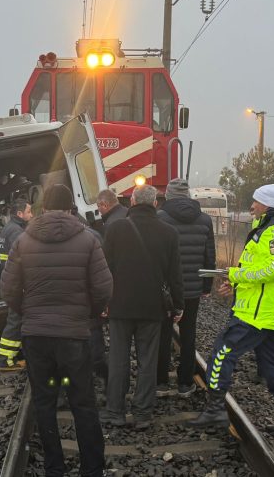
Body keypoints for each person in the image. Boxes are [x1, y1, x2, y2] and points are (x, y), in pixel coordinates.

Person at [0, 184, 112, 477]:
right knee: (83, 402)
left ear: (43, 208)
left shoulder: (23, 241)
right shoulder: (88, 240)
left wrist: (28, 313)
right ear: (69, 207)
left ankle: (55, 467)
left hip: (36, 337)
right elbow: (103, 288)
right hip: (74, 335)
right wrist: (87, 314)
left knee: (45, 401)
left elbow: (8, 290)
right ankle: (92, 468)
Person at [187, 184, 274, 436]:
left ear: (267, 204)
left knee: (222, 351)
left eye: (256, 202)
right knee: (273, 363)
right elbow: (270, 274)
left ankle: (215, 408)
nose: (252, 207)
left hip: (258, 313)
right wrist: (238, 284)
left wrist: (237, 274)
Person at [101, 184, 183, 430]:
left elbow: (105, 269)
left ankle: (115, 411)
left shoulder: (115, 229)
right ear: (155, 204)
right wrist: (178, 305)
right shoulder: (169, 233)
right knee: (148, 361)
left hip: (120, 305)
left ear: (132, 202)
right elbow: (175, 275)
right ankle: (142, 414)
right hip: (152, 308)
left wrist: (103, 302)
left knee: (118, 359)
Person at [155, 179, 216, 397]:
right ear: (188, 195)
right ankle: (184, 383)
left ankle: (160, 381)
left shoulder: (160, 218)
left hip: (165, 289)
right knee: (189, 334)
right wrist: (207, 285)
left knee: (162, 333)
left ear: (168, 195)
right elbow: (210, 255)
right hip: (192, 288)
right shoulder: (205, 220)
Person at [0, 198, 33, 371]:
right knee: (15, 320)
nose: (31, 215)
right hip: (17, 283)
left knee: (17, 319)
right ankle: (5, 360)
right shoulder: (16, 232)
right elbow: (25, 258)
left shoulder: (9, 228)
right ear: (20, 214)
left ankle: (16, 355)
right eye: (29, 212)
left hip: (11, 281)